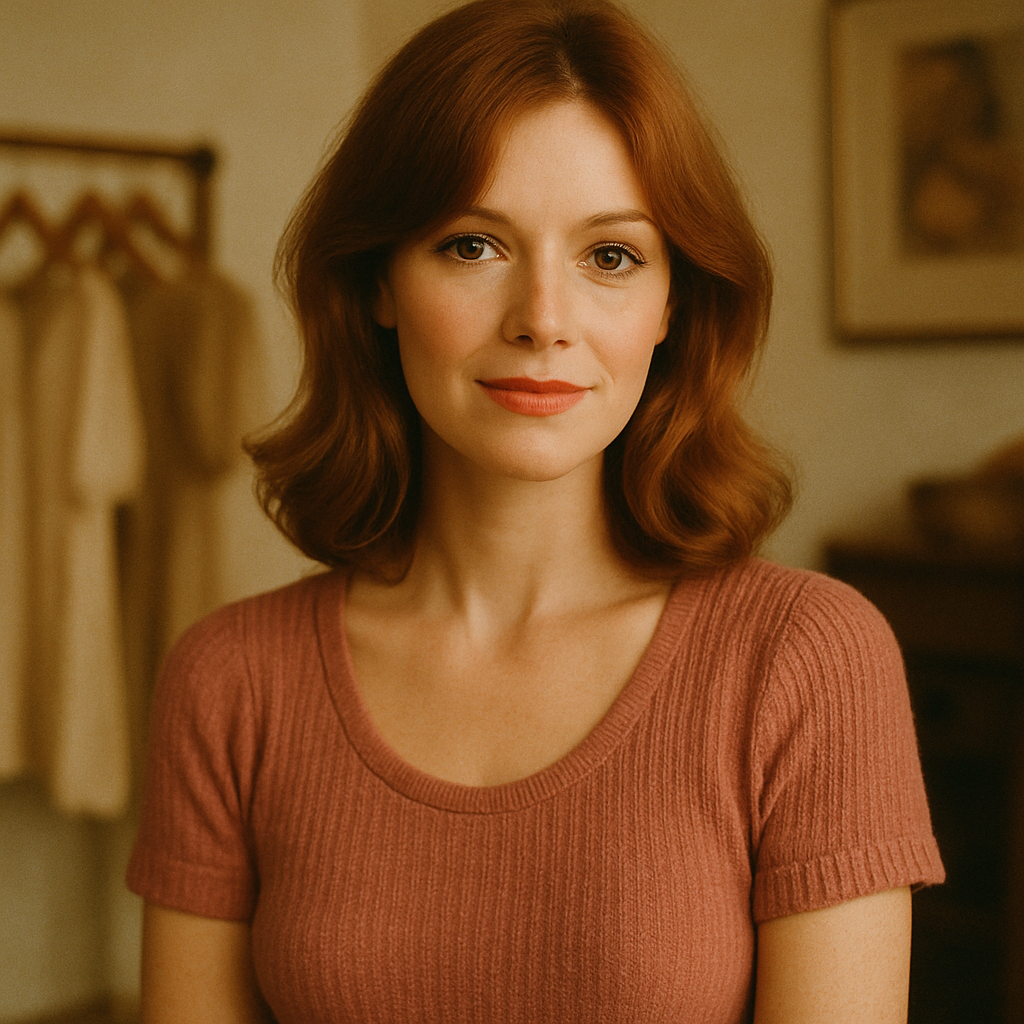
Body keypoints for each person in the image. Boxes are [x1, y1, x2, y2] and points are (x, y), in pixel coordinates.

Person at [127, 0, 944, 1020]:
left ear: (672, 303)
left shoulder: (807, 659)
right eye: (473, 245)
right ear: (379, 278)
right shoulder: (229, 681)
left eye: (611, 256)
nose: (543, 322)